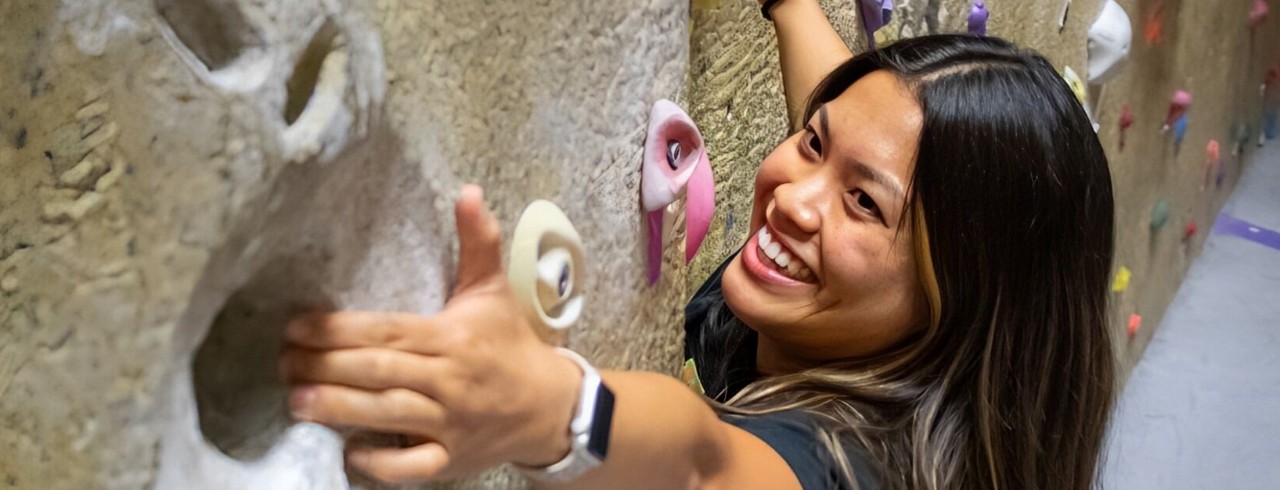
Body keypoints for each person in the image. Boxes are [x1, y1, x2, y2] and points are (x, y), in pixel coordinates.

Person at [277, 1, 1117, 488]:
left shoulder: (852, 463)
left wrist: (554, 408)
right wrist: (789, 5)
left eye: (861, 201)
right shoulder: (887, 324)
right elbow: (849, 124)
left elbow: (700, 463)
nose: (792, 195)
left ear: (964, 295)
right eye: (813, 143)